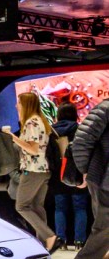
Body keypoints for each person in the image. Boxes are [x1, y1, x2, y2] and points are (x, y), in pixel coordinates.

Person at [62, 98, 109, 259]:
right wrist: (84, 170)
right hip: (104, 179)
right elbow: (81, 141)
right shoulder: (106, 108)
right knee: (104, 230)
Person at [10, 92, 59, 253]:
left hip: (33, 170)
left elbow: (33, 149)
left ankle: (49, 236)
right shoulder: (40, 121)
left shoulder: (31, 122)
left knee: (22, 206)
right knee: (37, 206)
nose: (17, 106)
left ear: (26, 105)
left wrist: (14, 138)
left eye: (19, 103)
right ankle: (43, 243)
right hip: (43, 170)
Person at [51, 102, 89, 251]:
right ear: (75, 114)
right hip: (77, 172)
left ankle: (61, 240)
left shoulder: (52, 131)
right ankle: (79, 241)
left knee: (60, 207)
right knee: (80, 207)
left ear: (58, 114)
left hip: (57, 174)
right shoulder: (80, 130)